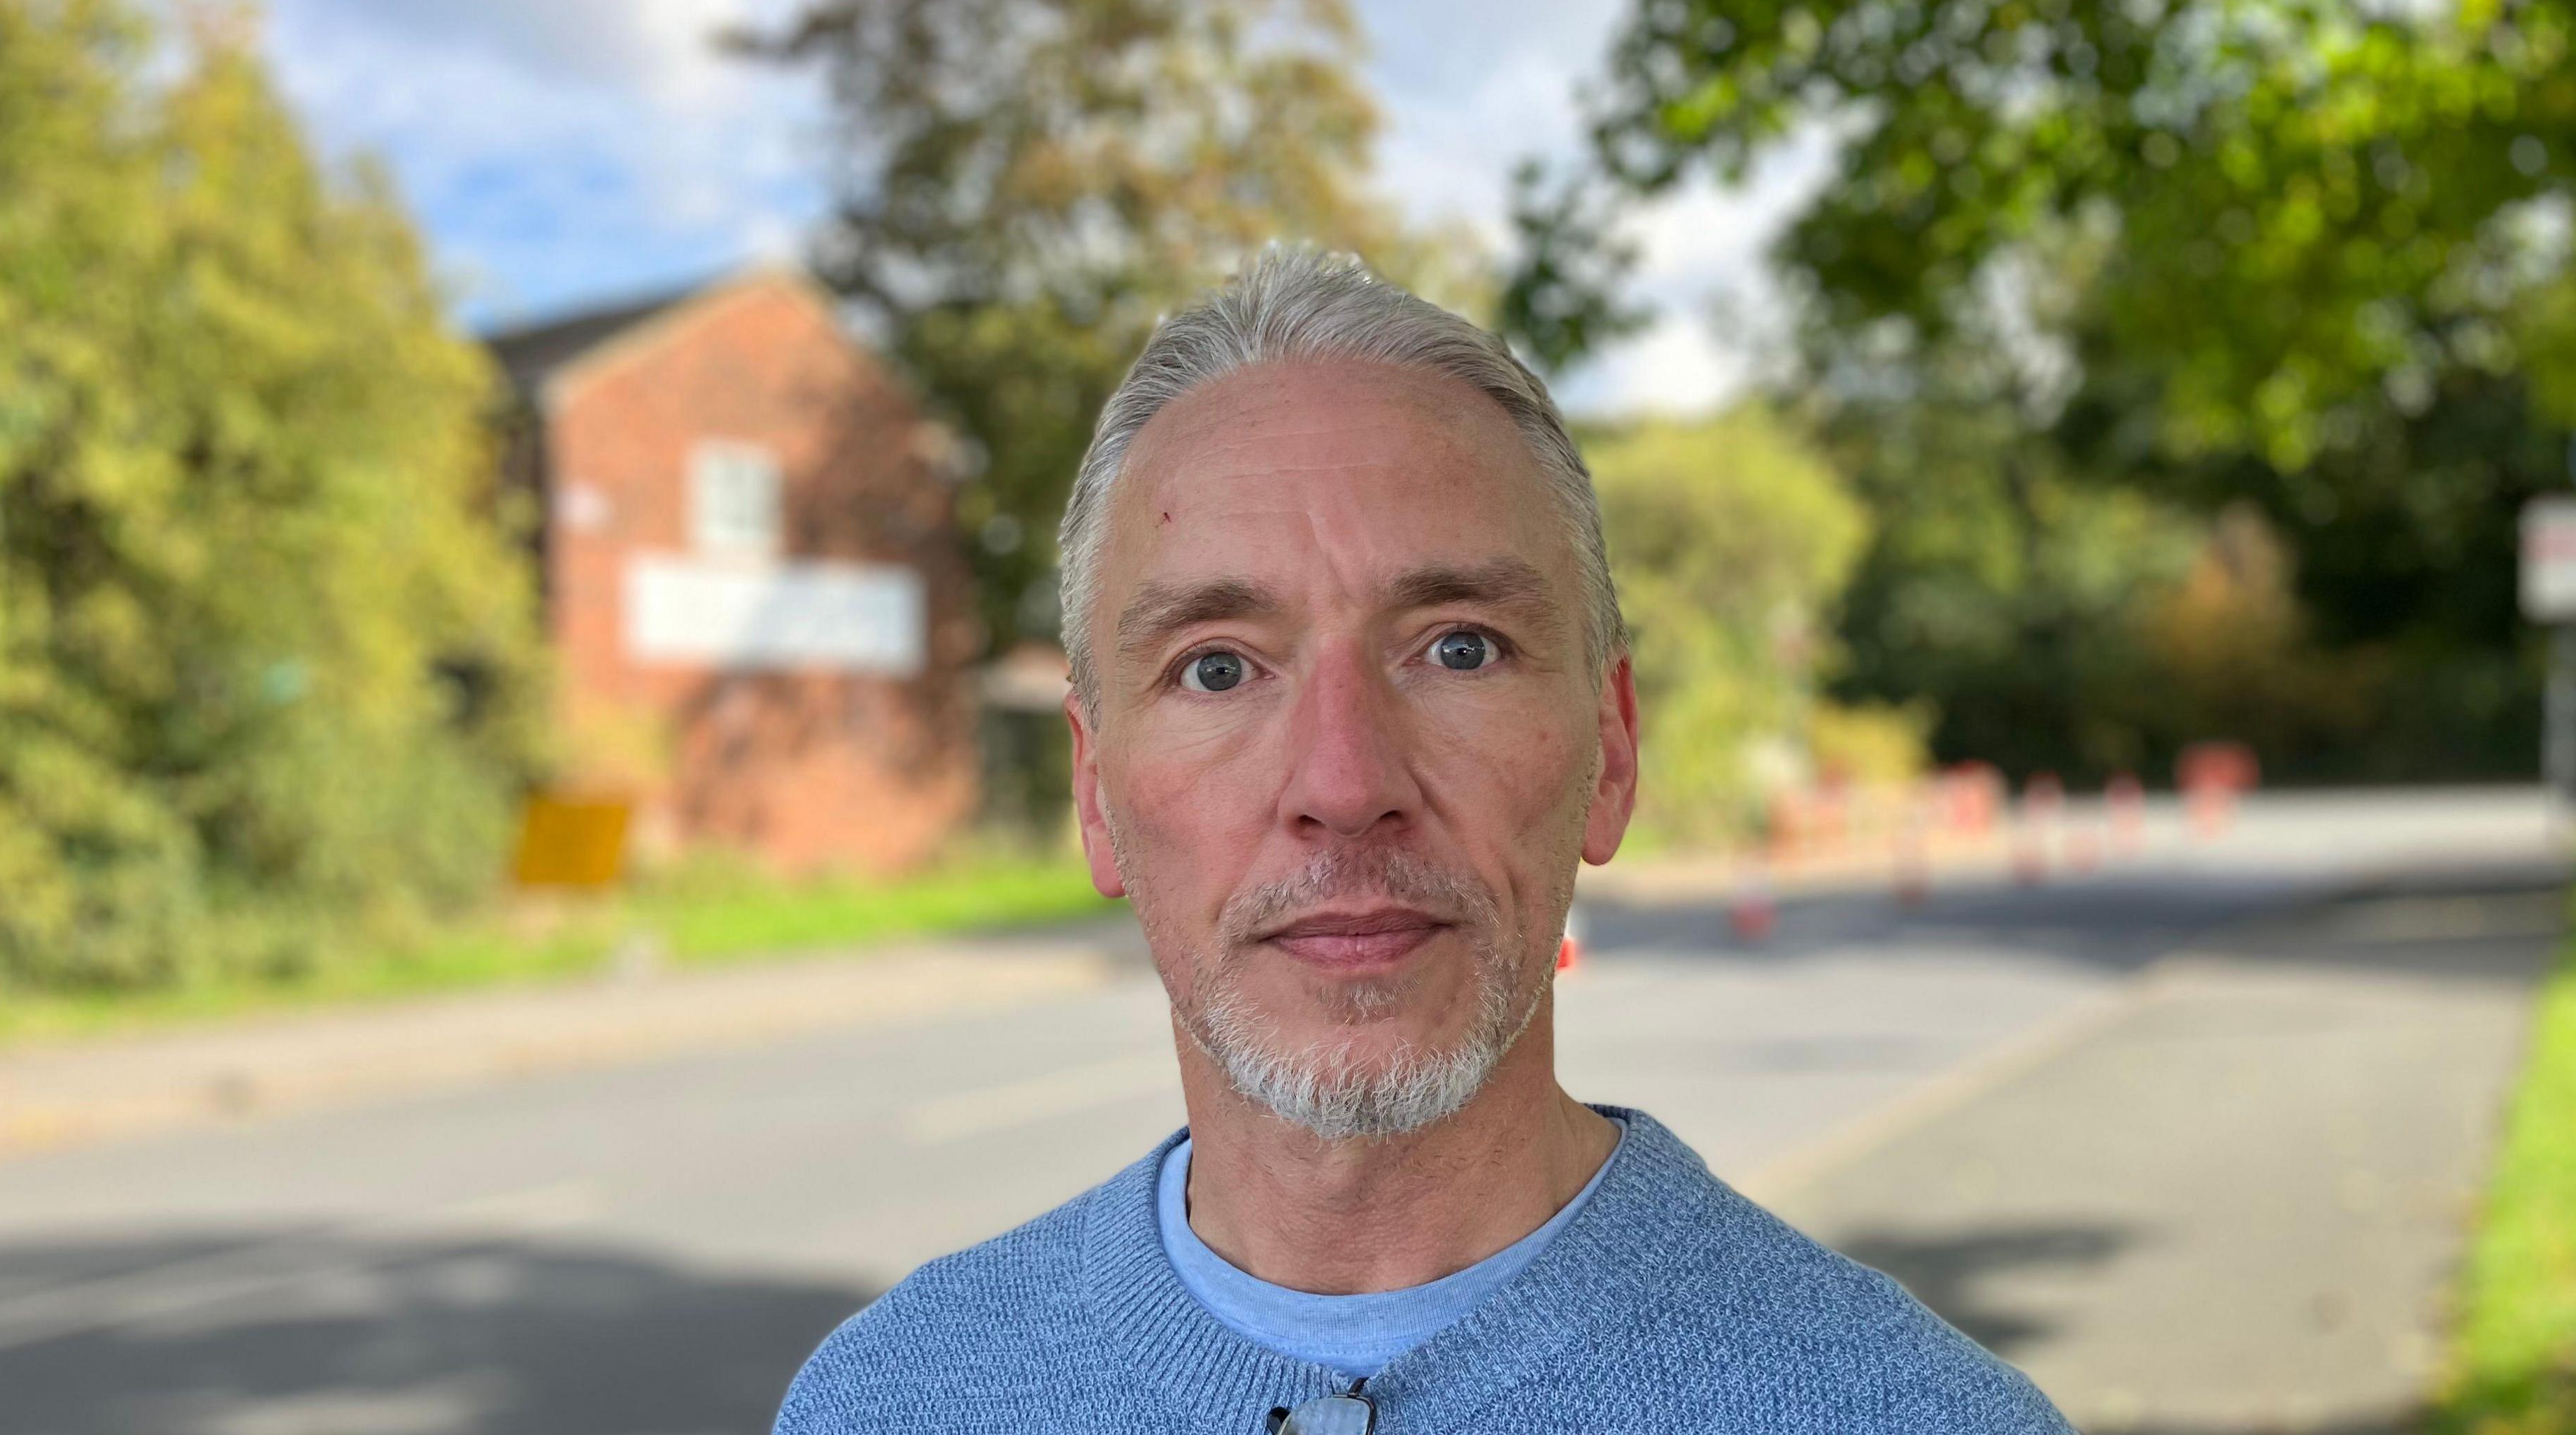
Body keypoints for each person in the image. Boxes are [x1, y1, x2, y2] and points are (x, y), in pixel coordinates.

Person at [772, 248, 2072, 1433]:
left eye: (1460, 647)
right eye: (1217, 668)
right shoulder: (883, 1406)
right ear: (1095, 790)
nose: (1344, 783)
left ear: (1609, 751)